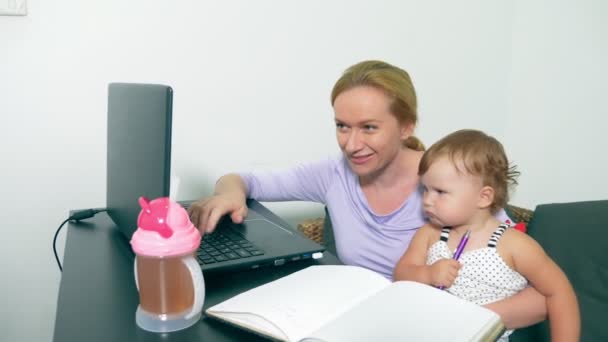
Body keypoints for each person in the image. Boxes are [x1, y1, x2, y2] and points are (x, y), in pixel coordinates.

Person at [188, 60, 547, 328]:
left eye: (369, 128)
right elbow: (241, 179)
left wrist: (458, 322)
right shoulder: (333, 174)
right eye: (342, 126)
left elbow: (541, 297)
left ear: (407, 126)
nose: (352, 144)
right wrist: (230, 194)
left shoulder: (449, 183)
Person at [393, 129, 580, 341]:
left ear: (483, 197)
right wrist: (427, 274)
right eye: (425, 189)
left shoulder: (514, 245)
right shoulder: (429, 234)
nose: (427, 200)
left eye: (440, 192)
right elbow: (401, 274)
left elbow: (560, 292)